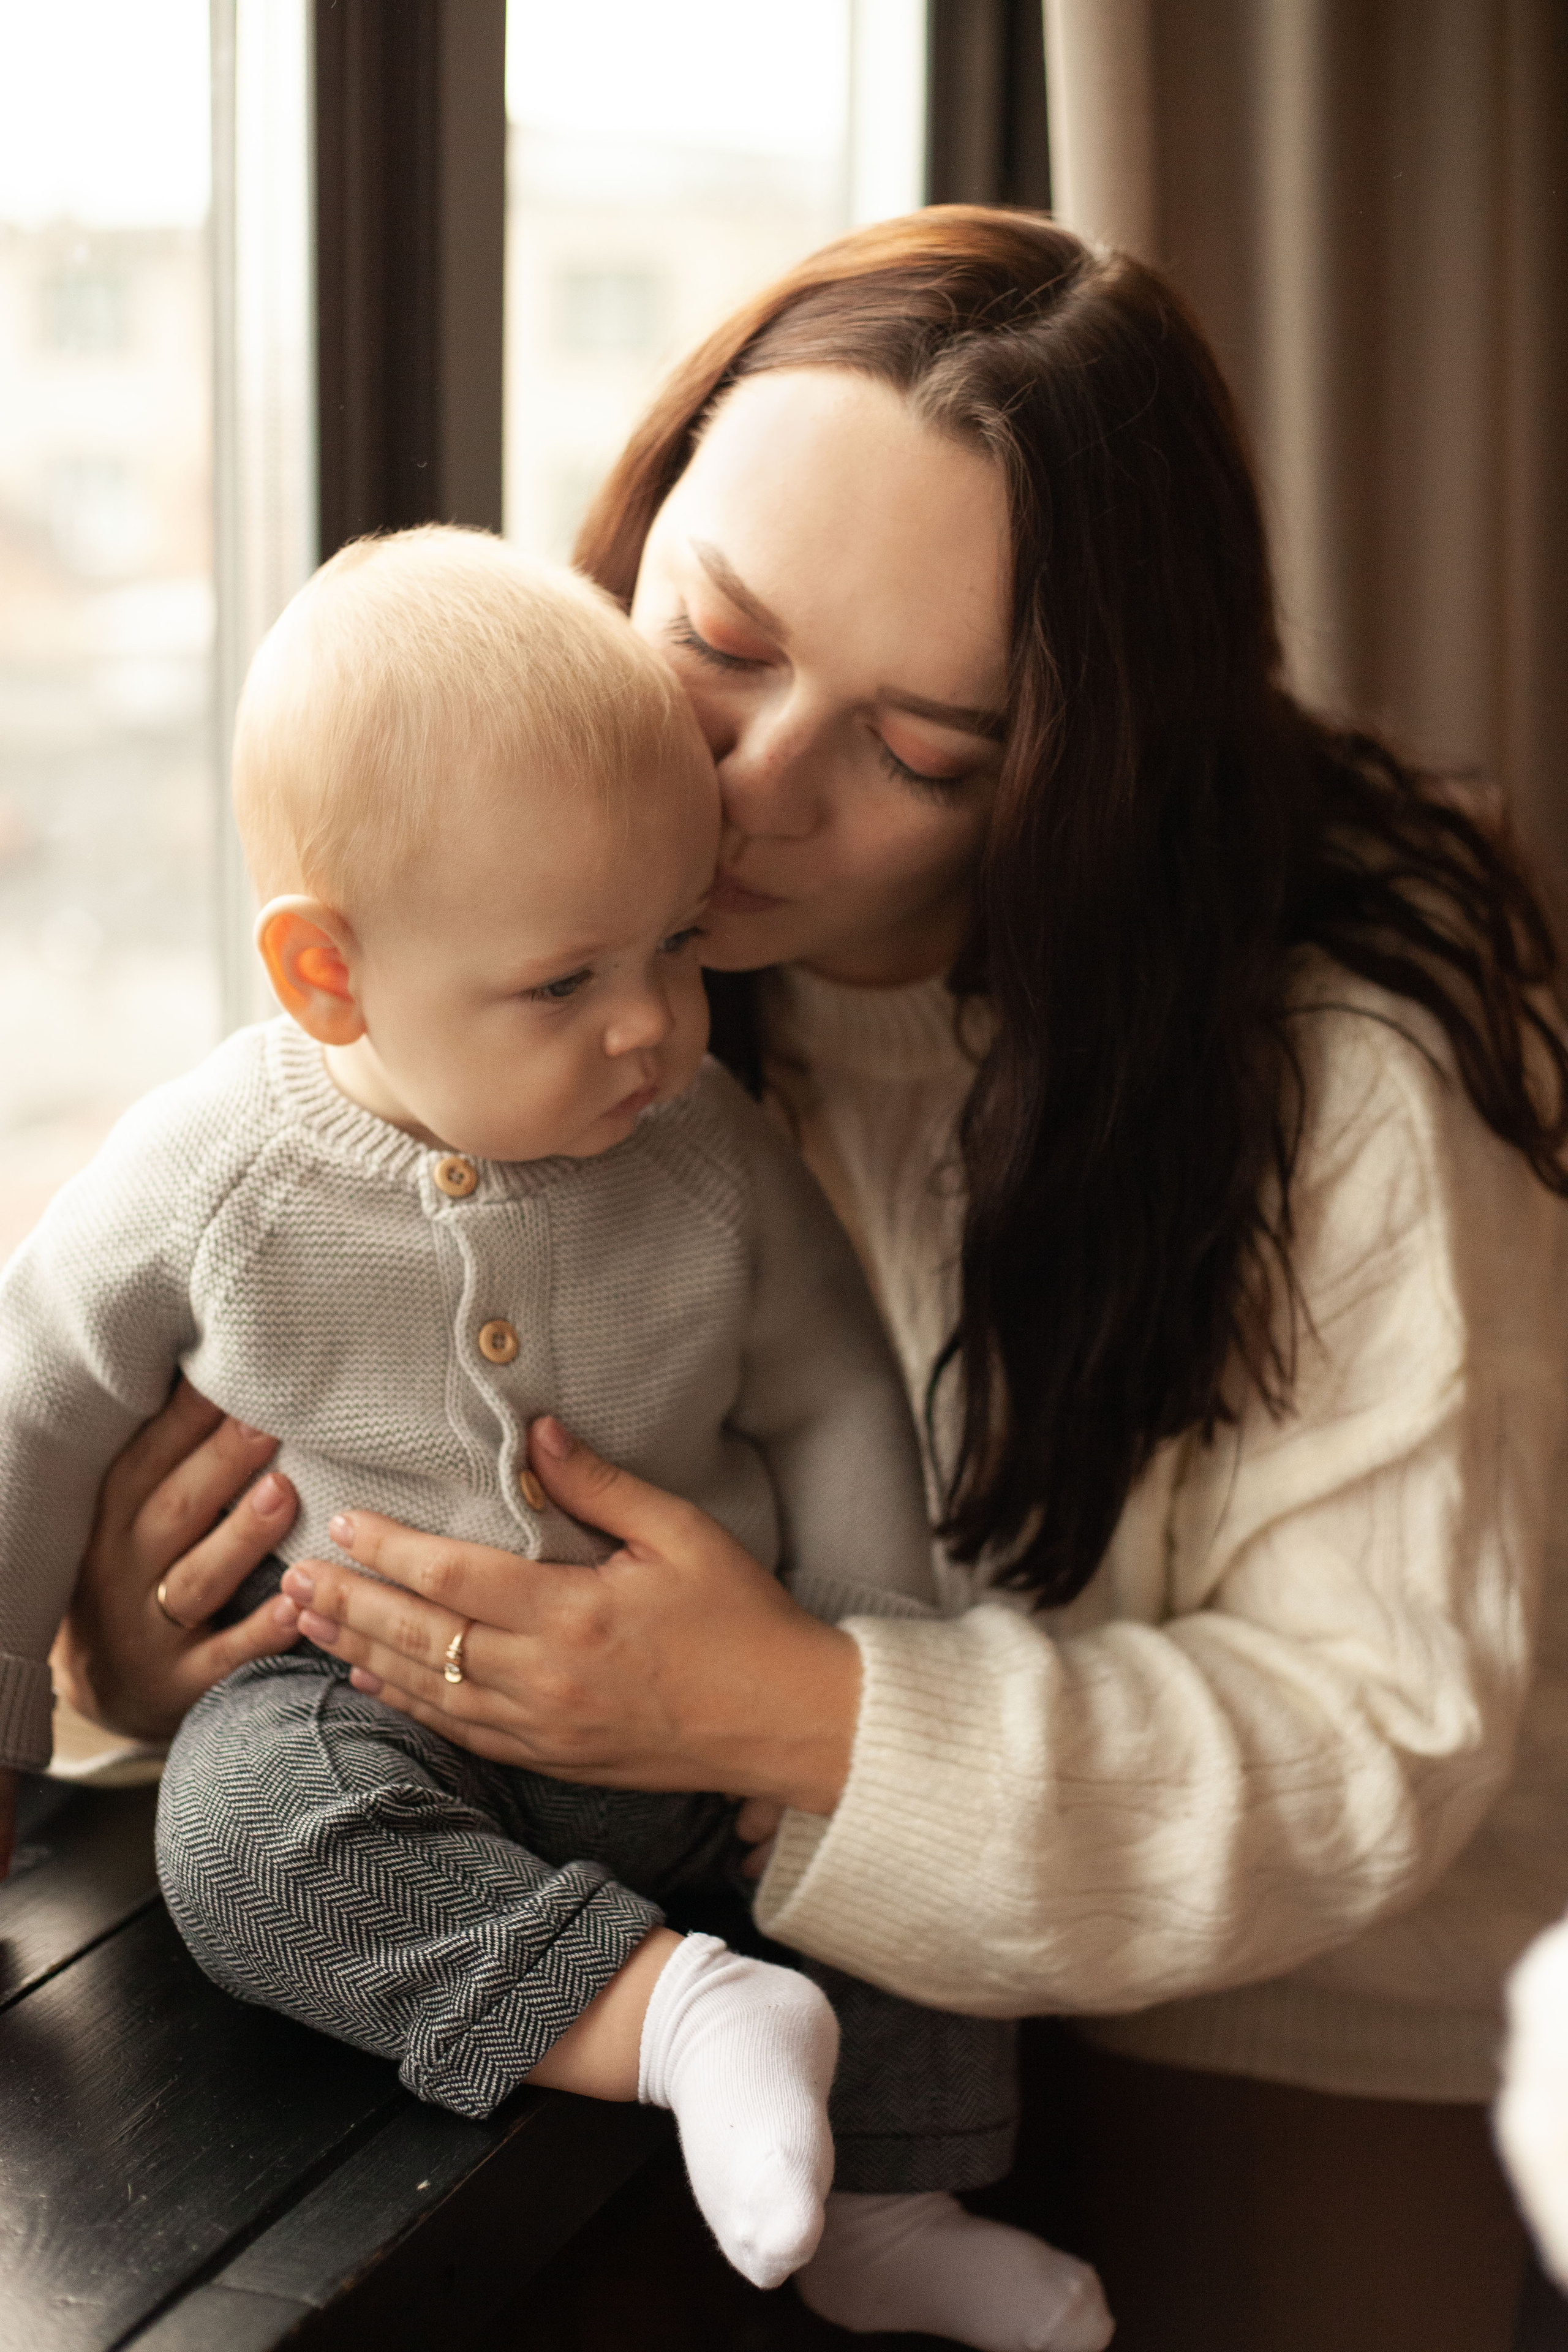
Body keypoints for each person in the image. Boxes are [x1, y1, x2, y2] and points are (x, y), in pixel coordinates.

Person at [53, 208, 1568, 2352]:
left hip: (1277, 1995)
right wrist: (146, 1648)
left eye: (920, 750)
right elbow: (247, 1355)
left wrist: (780, 1705)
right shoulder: (527, 874)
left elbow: (1372, 1745)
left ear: (1081, 763)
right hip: (696, 1907)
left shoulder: (1346, 1087)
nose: (750, 792)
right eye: (724, 641)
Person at [0, 526, 1113, 2350]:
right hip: (372, 1723)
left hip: (714, 1712)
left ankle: (896, 2200)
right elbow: (34, 1391)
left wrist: (863, 1643)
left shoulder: (706, 1147)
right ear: (327, 978)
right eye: (565, 984)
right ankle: (678, 2021)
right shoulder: (214, 1174)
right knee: (239, 1839)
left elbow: (830, 1380)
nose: (656, 1026)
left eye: (677, 944)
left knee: (923, 1805)